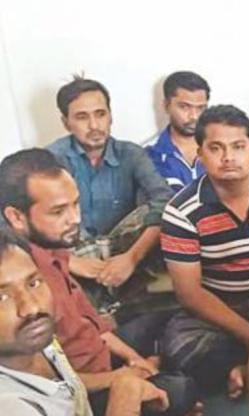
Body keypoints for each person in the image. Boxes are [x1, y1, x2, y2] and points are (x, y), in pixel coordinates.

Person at [0, 230, 222, 416]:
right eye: (1, 296)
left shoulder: (33, 343)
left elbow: (66, 383)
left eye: (33, 283)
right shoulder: (7, 409)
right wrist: (125, 393)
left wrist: (122, 377)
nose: (30, 307)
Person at [0, 148, 199, 416]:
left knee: (175, 315)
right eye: (59, 211)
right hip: (84, 394)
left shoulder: (56, 251)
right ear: (17, 217)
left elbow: (96, 329)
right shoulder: (27, 282)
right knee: (181, 390)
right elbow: (54, 383)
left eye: (76, 204)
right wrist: (121, 380)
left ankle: (159, 386)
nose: (75, 219)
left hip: (103, 361)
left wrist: (135, 361)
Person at [160, 105, 249, 398]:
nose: (228, 157)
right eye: (216, 148)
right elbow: (190, 294)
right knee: (179, 348)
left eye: (238, 147)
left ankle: (244, 370)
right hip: (217, 308)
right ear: (200, 154)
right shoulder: (181, 212)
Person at [46, 77, 172, 291]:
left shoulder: (131, 154)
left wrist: (132, 258)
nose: (94, 125)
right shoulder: (50, 160)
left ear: (111, 116)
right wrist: (69, 261)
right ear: (66, 123)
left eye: (100, 114)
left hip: (125, 258)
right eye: (82, 117)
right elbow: (20, 224)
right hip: (72, 261)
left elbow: (166, 202)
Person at [145, 71, 210, 192]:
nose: (194, 116)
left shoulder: (222, 150)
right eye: (184, 107)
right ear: (166, 106)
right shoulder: (147, 155)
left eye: (200, 108)